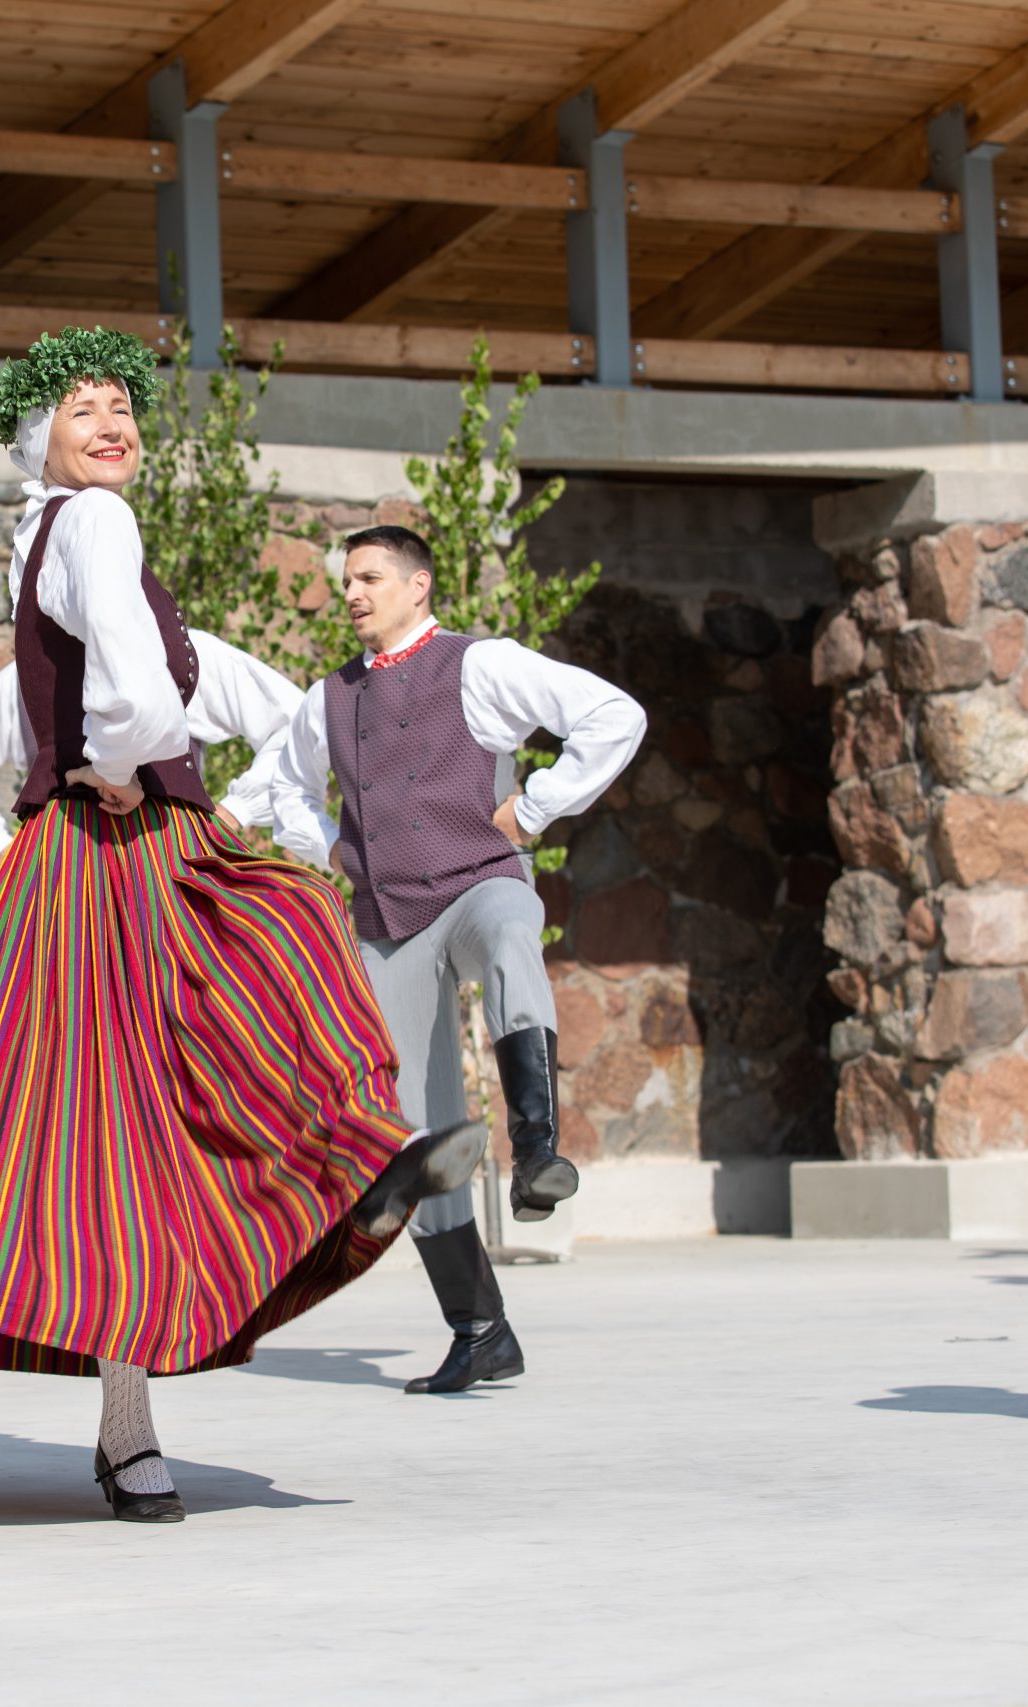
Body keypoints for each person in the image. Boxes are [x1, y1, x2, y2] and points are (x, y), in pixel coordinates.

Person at [0, 327, 483, 1521]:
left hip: (107, 855)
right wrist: (113, 767)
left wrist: (189, 797)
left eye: (122, 407)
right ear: (38, 441)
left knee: (112, 1141)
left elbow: (247, 706)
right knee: (267, 968)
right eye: (82, 411)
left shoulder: (63, 546)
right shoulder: (92, 525)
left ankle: (169, 1385)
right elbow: (132, 707)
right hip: (112, 852)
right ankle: (361, 1156)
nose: (112, 425)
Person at [258, 524, 645, 1393]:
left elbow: (614, 716)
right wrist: (328, 846)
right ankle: (481, 1330)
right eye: (347, 579)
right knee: (416, 1136)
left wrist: (535, 808)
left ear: (418, 584)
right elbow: (285, 785)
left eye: (370, 577)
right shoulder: (327, 698)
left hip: (476, 883)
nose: (352, 592)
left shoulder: (481, 664)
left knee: (511, 931)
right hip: (388, 921)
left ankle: (537, 1149)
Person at [0, 628, 302, 870]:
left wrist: (235, 811)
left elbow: (294, 725)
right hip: (64, 891)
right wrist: (0, 853)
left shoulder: (187, 657)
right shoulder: (26, 680)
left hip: (174, 878)